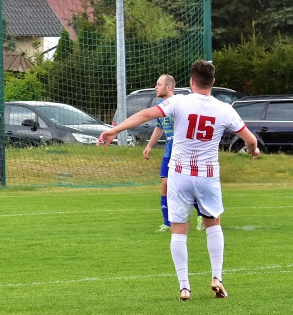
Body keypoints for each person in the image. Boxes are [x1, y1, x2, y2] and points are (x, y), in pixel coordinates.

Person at [98, 60, 259, 301]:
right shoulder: (224, 108)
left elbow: (145, 114)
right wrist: (253, 150)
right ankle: (217, 277)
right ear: (212, 82)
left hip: (180, 173)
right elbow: (249, 138)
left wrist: (115, 130)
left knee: (179, 230)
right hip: (207, 175)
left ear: (191, 81)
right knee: (213, 224)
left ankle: (184, 287)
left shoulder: (180, 101)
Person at [143, 74, 177, 233]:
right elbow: (159, 127)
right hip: (168, 150)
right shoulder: (160, 106)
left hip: (181, 151)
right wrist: (149, 145)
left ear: (168, 87)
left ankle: (201, 216)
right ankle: (167, 223)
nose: (156, 87)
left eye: (158, 84)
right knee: (164, 186)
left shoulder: (179, 104)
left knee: (187, 187)